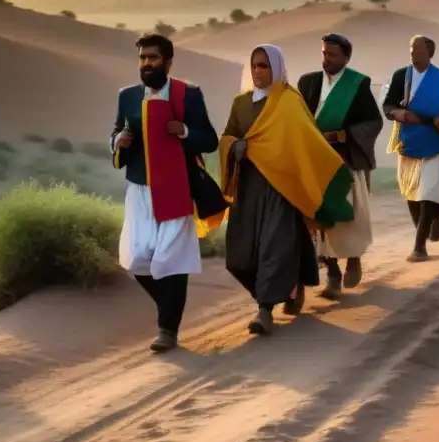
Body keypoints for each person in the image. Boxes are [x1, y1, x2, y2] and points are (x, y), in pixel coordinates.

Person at [220, 44, 353, 335]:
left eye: (264, 66)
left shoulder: (291, 101)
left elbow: (308, 142)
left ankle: (264, 310)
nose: (258, 71)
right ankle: (293, 283)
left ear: (276, 68)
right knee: (239, 256)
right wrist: (234, 146)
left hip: (282, 187)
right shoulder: (241, 104)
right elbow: (227, 136)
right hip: (248, 187)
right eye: (254, 65)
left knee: (273, 247)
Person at [110, 33, 228, 353]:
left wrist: (186, 131)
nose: (146, 64)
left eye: (153, 58)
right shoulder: (128, 96)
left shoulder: (188, 94)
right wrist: (118, 142)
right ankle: (170, 305)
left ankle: (167, 329)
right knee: (136, 258)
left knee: (170, 260)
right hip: (140, 189)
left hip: (176, 186)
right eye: (142, 58)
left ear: (168, 61)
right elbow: (116, 133)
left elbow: (209, 140)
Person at [297, 33, 383, 299]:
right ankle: (332, 274)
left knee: (350, 217)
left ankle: (354, 258)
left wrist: (341, 135)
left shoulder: (357, 85)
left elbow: (373, 122)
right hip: (317, 162)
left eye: (332, 55)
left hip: (346, 160)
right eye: (324, 53)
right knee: (323, 220)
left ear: (346, 57)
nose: (326, 59)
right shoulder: (308, 83)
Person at [383, 35, 439, 262]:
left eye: (419, 50)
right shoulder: (401, 76)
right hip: (408, 141)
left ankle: (419, 246)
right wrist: (396, 112)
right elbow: (388, 105)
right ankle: (430, 223)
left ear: (430, 53)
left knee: (427, 194)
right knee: (412, 196)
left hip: (434, 143)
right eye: (411, 49)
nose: (414, 54)